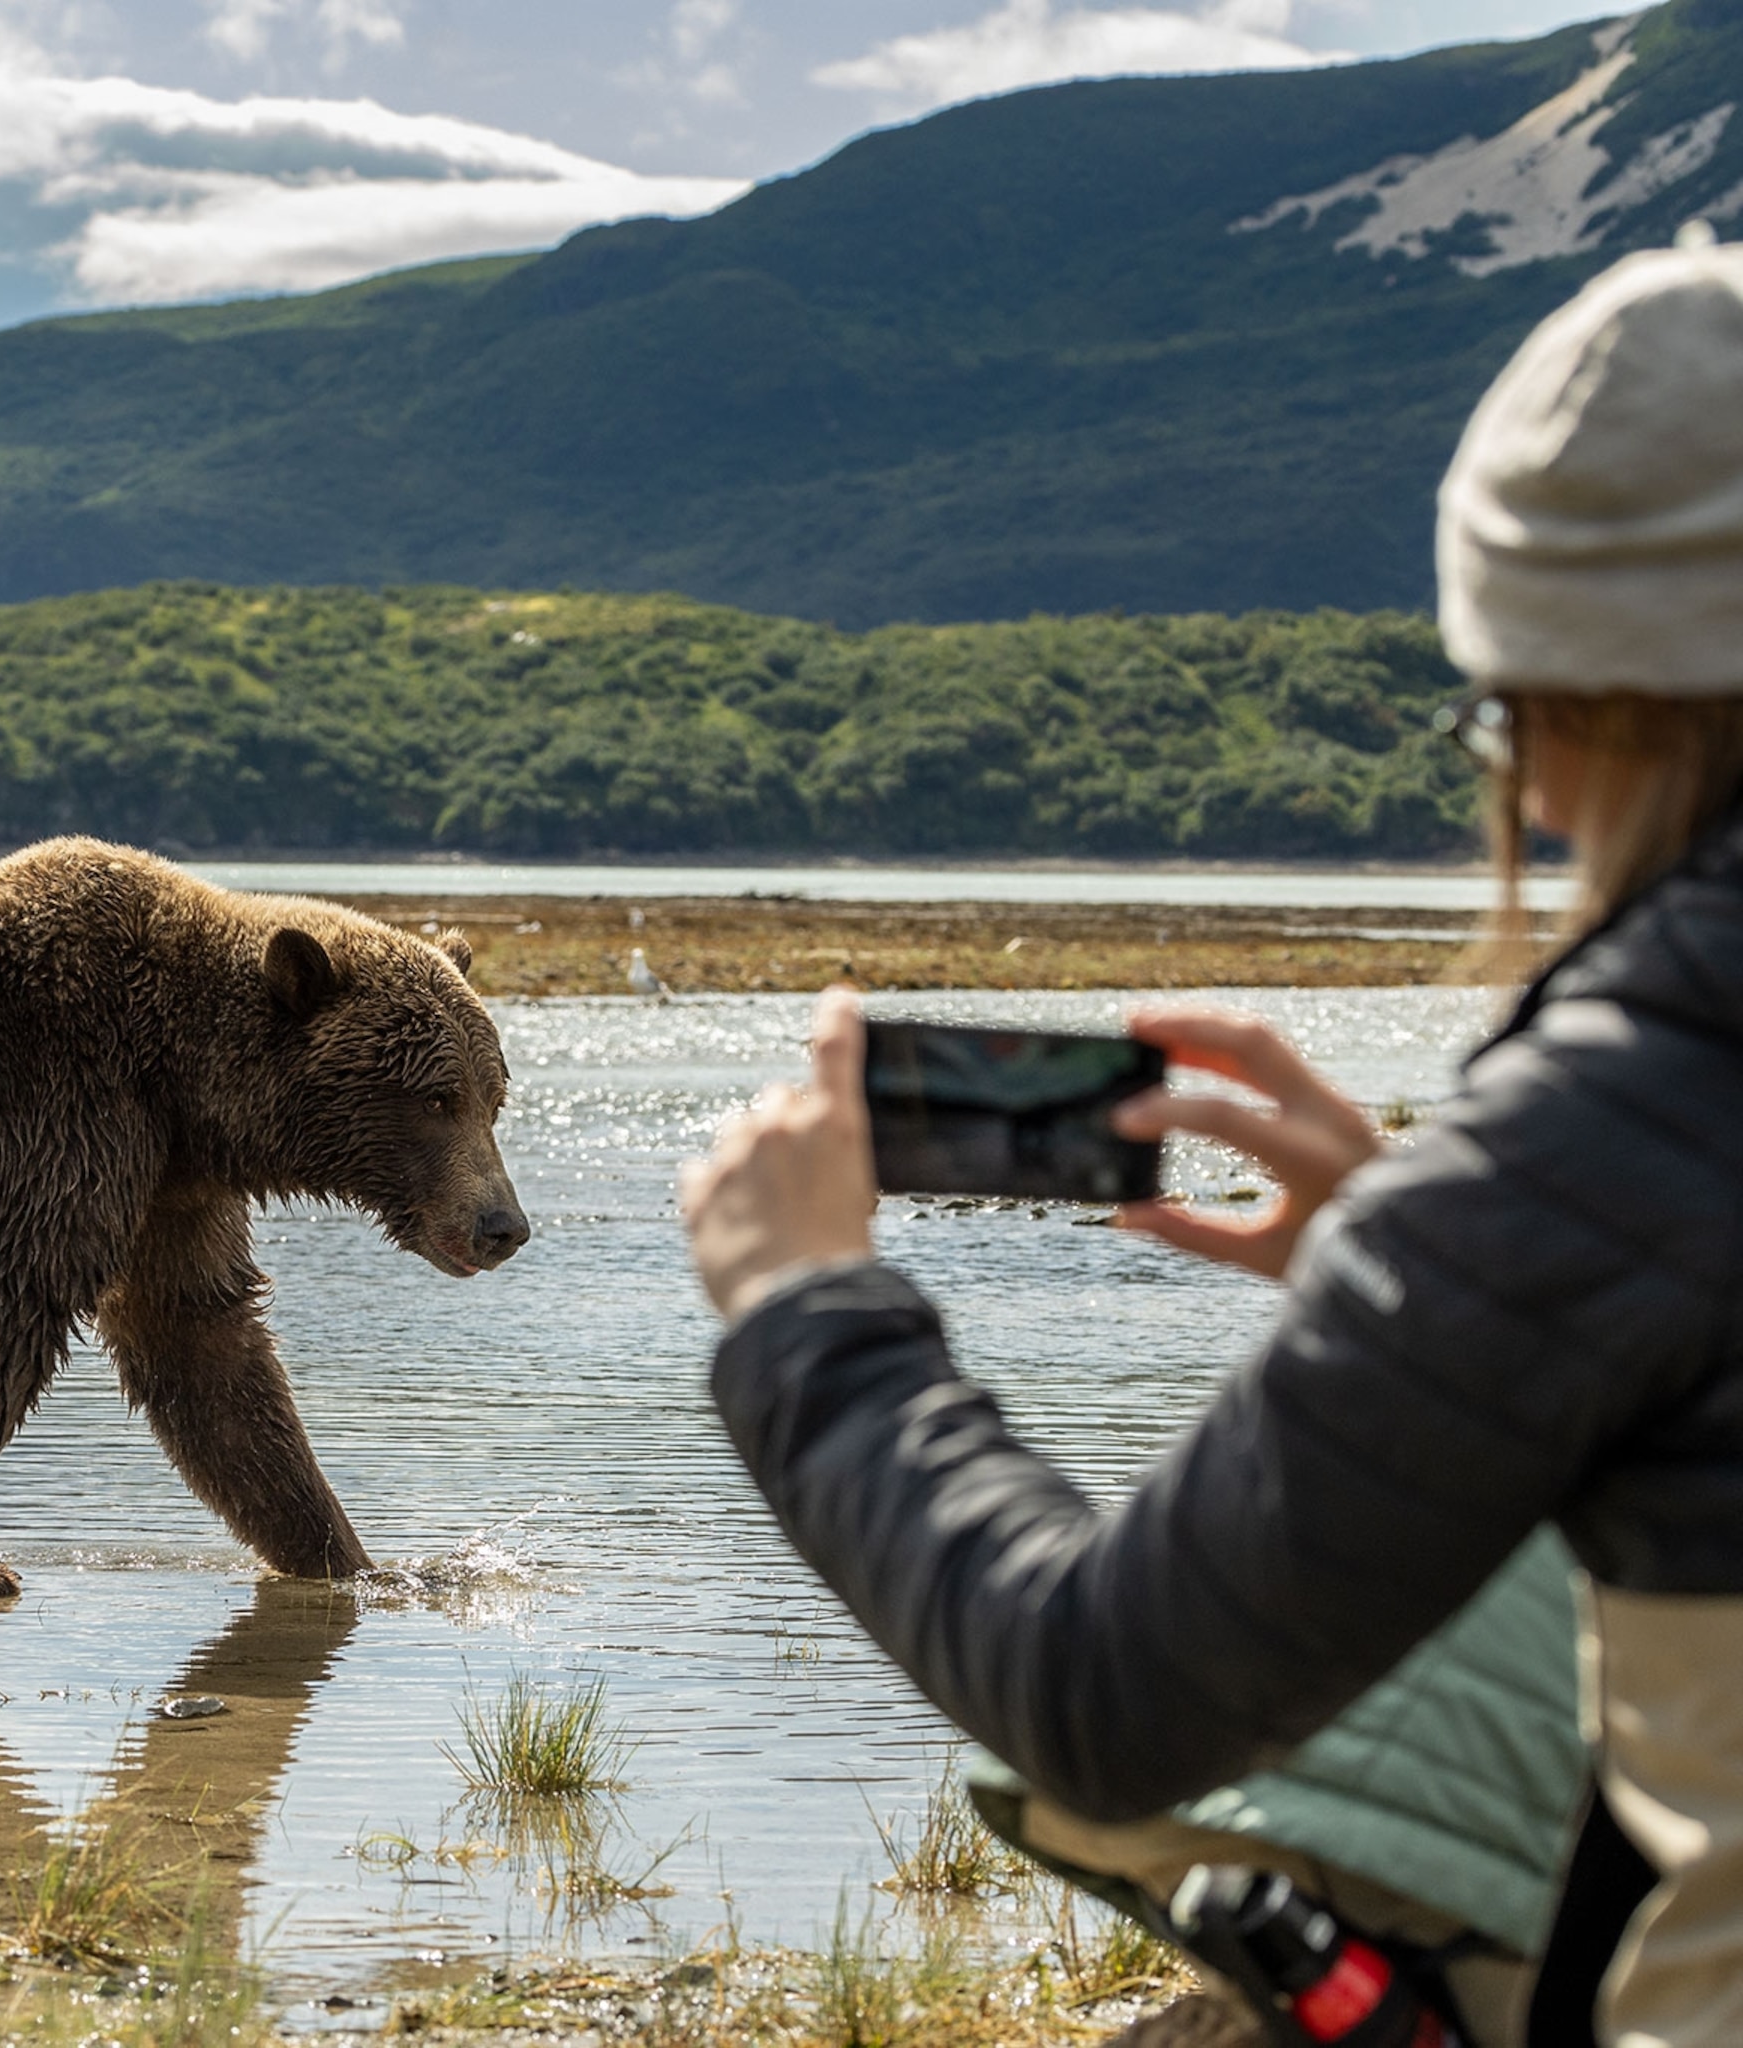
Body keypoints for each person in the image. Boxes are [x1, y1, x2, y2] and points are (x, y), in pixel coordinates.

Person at [682, 233, 1743, 2048]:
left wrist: (808, 1314)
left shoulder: (1620, 1112)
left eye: (1508, 715)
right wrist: (1428, 1241)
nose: (1531, 796)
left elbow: (1100, 1690)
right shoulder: (1585, 1162)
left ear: (1581, 710)